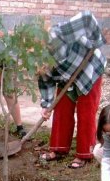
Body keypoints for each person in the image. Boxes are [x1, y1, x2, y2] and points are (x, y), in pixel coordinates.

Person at [38, 10, 106, 168]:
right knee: (61, 110)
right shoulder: (37, 59)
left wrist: (97, 40)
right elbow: (45, 79)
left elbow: (87, 18)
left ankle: (85, 153)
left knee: (86, 112)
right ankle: (59, 149)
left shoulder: (58, 34)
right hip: (66, 77)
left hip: (88, 69)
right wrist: (46, 105)